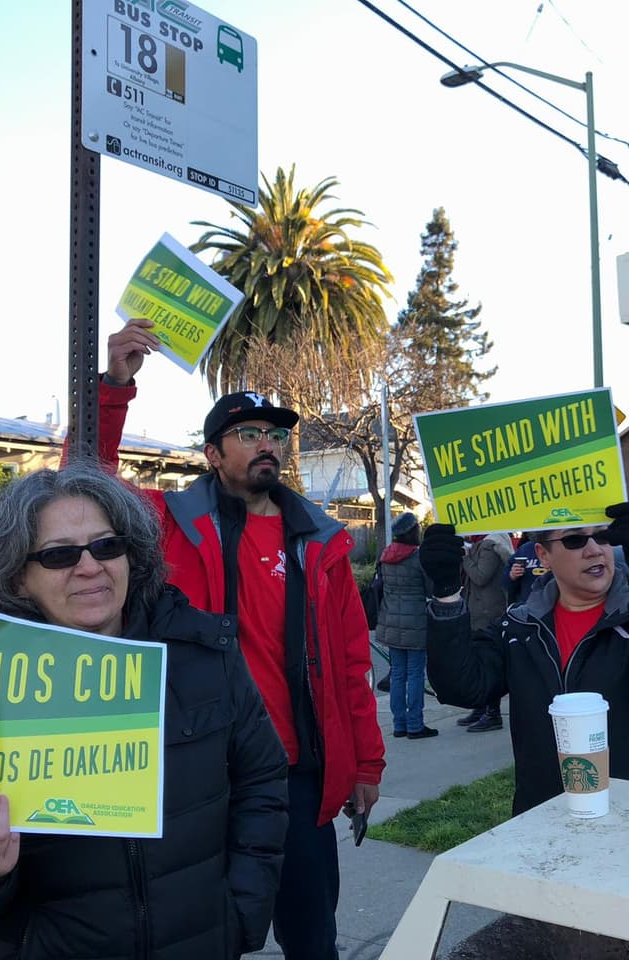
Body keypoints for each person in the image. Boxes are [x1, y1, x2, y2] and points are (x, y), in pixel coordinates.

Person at [0, 461, 289, 959]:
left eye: (107, 546)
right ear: (19, 578)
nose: (90, 567)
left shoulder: (204, 655)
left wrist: (242, 913)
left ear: (132, 555)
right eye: (60, 555)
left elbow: (262, 782)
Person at [97, 319, 385, 960]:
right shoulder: (166, 523)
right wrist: (116, 385)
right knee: (202, 939)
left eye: (277, 435)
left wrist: (365, 765)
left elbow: (350, 663)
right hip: (203, 774)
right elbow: (85, 483)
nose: (268, 445)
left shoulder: (324, 544)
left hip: (298, 777)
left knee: (313, 938)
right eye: (248, 434)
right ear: (213, 453)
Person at [419, 502, 629, 815]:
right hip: (549, 821)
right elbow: (461, 686)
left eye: (604, 536)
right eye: (575, 540)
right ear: (543, 556)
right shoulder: (520, 626)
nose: (595, 550)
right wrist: (447, 592)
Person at [375, 512, 437, 739]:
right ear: (413, 532)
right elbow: (430, 589)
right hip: (415, 624)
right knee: (415, 675)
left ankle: (399, 725)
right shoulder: (418, 558)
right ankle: (415, 725)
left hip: (391, 622)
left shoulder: (385, 555)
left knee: (398, 675)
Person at [458, 532, 515, 732]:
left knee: (488, 663)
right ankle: (481, 708)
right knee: (478, 663)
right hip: (479, 612)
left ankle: (492, 713)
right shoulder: (481, 544)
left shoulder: (490, 545)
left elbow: (480, 576)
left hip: (488, 613)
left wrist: (464, 557)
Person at [503, 531, 549, 605]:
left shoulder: (559, 546)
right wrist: (512, 575)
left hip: (557, 602)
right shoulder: (525, 549)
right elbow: (505, 582)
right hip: (528, 604)